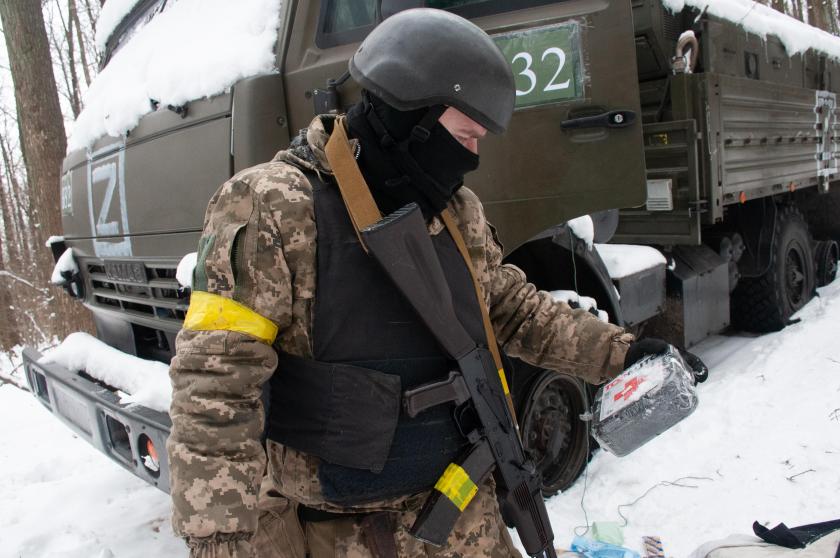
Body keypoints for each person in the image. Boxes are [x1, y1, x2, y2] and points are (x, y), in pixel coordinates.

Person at [166, 8, 704, 558]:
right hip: (347, 534)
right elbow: (218, 381)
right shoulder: (276, 205)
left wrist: (621, 353)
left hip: (464, 514)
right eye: (464, 135)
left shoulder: (452, 209)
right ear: (410, 115)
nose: (471, 158)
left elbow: (512, 309)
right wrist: (218, 540)